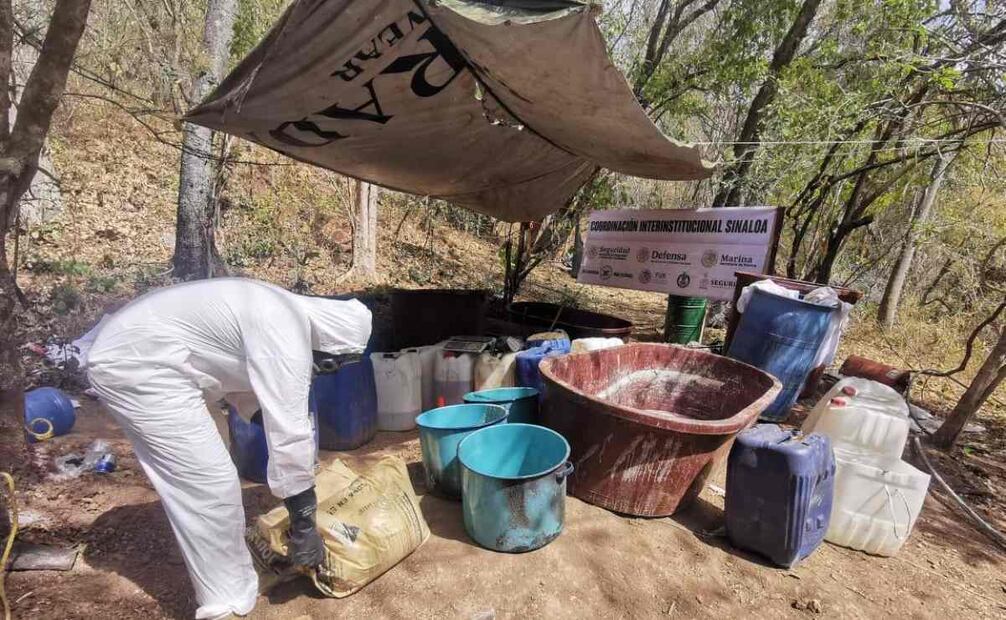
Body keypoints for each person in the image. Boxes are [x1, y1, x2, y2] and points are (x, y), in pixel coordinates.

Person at [86, 278, 372, 619]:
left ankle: (224, 568)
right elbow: (290, 431)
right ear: (329, 345)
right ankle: (225, 602)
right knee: (209, 484)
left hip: (160, 356)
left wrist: (282, 437)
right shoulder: (286, 332)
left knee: (214, 458)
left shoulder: (282, 312)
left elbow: (242, 380)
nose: (328, 371)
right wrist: (305, 524)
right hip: (136, 364)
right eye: (332, 364)